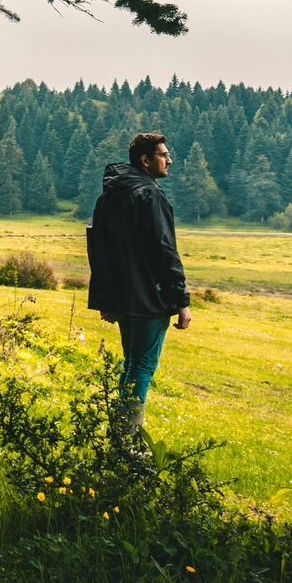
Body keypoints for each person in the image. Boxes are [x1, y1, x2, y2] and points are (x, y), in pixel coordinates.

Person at [85, 132, 192, 430]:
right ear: (145, 161)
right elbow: (165, 250)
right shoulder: (151, 195)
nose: (170, 160)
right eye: (163, 155)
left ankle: (120, 433)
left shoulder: (109, 196)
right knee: (142, 366)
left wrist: (107, 298)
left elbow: (100, 250)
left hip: (122, 298)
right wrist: (182, 302)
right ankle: (126, 440)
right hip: (148, 299)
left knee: (131, 363)